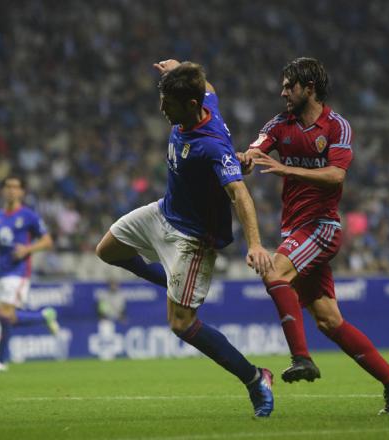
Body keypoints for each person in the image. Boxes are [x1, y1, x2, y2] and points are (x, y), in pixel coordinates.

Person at [96, 60, 276, 417]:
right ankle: (173, 282)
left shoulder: (212, 147)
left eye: (168, 103)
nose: (162, 109)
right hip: (165, 212)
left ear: (190, 106)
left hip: (192, 239)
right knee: (108, 250)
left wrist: (255, 243)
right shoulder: (204, 100)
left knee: (181, 324)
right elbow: (210, 87)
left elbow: (239, 193)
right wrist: (179, 69)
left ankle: (256, 378)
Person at [238, 57, 389, 414]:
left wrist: (285, 168)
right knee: (329, 321)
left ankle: (301, 358)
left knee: (273, 270)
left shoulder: (336, 127)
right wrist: (246, 158)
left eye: (290, 85)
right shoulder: (279, 124)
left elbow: (336, 176)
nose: (283, 91)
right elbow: (256, 150)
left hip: (322, 227)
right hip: (296, 229)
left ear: (310, 88)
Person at [0, 175, 58, 373]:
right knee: (9, 318)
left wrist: (27, 249)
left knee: (3, 314)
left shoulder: (29, 215)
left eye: (15, 187)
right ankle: (44, 315)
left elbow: (48, 241)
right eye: (8, 187)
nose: (11, 190)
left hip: (19, 271)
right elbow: (1, 244)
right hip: (2, 271)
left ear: (22, 192)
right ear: (3, 191)